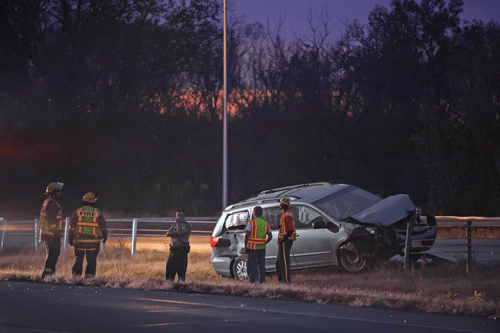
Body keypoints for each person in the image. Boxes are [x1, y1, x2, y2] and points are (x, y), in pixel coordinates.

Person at [68, 192, 107, 278]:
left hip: (79, 242)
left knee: (78, 260)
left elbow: (72, 227)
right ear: (93, 202)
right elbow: (103, 227)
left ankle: (75, 278)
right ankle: (89, 280)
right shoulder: (97, 213)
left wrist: (70, 239)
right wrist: (105, 236)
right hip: (93, 243)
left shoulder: (77, 212)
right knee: (91, 261)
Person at [39, 182, 64, 279]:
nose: (59, 193)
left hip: (49, 233)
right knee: (53, 254)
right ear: (53, 192)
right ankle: (48, 276)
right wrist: (56, 232)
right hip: (52, 234)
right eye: (58, 191)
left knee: (52, 254)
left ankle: (49, 275)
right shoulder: (52, 204)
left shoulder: (48, 202)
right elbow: (51, 220)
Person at [244, 206, 272, 284]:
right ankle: (262, 282)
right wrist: (264, 242)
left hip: (252, 248)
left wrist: (245, 247)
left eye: (253, 212)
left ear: (255, 212)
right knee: (261, 266)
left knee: (252, 266)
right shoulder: (266, 223)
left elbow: (246, 235)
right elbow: (270, 236)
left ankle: (253, 283)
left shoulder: (251, 223)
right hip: (262, 248)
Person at [165, 210, 191, 282]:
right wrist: (176, 232)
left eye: (181, 215)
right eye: (178, 215)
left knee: (181, 273)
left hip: (181, 251)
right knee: (169, 272)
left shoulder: (187, 225)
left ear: (184, 216)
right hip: (173, 251)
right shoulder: (174, 225)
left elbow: (181, 233)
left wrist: (177, 225)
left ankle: (181, 288)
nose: (179, 217)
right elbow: (167, 234)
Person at [276, 196, 296, 283]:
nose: (279, 204)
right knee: (278, 262)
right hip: (283, 240)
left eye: (281, 203)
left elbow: (290, 230)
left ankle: (286, 280)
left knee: (284, 261)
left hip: (285, 241)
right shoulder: (285, 214)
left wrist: (283, 240)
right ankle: (281, 280)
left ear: (284, 205)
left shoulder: (287, 215)